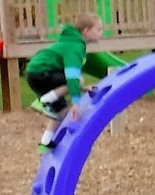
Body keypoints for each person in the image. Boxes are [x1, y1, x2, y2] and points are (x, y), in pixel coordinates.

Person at [25, 12, 104, 149]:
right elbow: (72, 76)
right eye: (98, 30)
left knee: (62, 111)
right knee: (79, 80)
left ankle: (45, 142)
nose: (101, 33)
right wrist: (76, 101)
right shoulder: (75, 47)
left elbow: (67, 77)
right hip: (40, 72)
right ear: (86, 31)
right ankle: (43, 101)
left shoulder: (73, 43)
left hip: (37, 73)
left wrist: (82, 89)